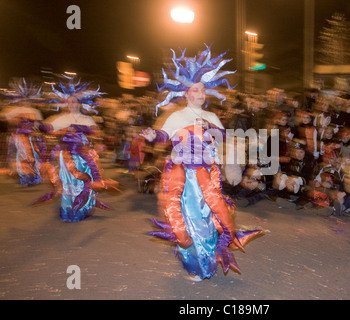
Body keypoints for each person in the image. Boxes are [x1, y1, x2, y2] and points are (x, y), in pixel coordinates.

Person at [140, 46, 262, 281]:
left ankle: (206, 256)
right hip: (185, 176)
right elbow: (163, 137)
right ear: (187, 94)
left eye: (203, 90)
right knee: (191, 220)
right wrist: (151, 136)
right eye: (196, 90)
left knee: (210, 219)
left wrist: (212, 128)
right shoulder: (176, 116)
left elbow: (223, 138)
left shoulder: (212, 117)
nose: (201, 93)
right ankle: (198, 264)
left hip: (207, 175)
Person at [35, 76, 119, 222]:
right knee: (69, 183)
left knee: (84, 183)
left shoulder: (87, 119)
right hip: (68, 157)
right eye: (70, 101)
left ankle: (83, 208)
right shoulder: (60, 118)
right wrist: (38, 125)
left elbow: (97, 133)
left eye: (75, 101)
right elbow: (47, 128)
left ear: (80, 103)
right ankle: (69, 210)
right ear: (66, 104)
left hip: (84, 156)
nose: (72, 104)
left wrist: (92, 137)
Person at [0, 78, 44, 186]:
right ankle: (24, 176)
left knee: (33, 157)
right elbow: (4, 117)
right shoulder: (16, 110)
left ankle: (33, 175)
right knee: (23, 156)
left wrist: (36, 130)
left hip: (31, 137)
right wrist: (15, 119)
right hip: (19, 137)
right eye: (23, 99)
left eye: (28, 99)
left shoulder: (35, 111)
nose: (25, 101)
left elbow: (39, 125)